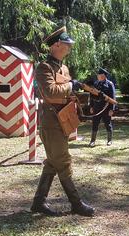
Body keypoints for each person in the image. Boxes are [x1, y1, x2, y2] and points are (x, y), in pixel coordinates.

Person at [30, 26, 95, 217]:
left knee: (53, 162)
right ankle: (76, 204)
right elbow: (50, 92)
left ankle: (38, 203)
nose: (69, 48)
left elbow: (65, 92)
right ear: (57, 45)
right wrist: (69, 86)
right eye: (67, 44)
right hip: (51, 123)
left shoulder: (63, 68)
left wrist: (75, 97)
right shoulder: (44, 68)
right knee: (63, 161)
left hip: (63, 121)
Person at [88, 68, 116, 147]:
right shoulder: (96, 84)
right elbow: (91, 96)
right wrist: (91, 106)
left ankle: (109, 140)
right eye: (98, 75)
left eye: (100, 75)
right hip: (96, 108)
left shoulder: (110, 84)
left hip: (106, 108)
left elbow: (113, 97)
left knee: (108, 124)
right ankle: (92, 141)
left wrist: (112, 109)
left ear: (103, 76)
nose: (98, 76)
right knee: (95, 124)